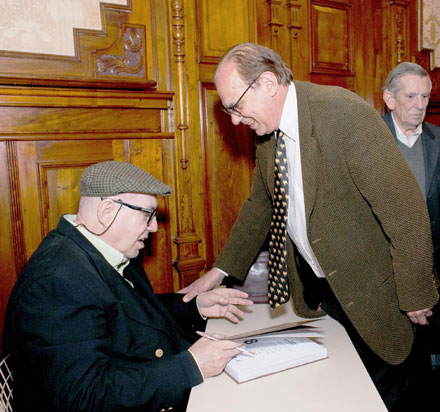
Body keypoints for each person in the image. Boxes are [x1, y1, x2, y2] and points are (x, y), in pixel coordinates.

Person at [180, 43, 439, 411]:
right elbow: (261, 205)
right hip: (322, 295)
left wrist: (416, 294)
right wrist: (221, 270)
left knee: (382, 397)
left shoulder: (344, 114)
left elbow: (405, 211)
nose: (235, 120)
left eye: (236, 106)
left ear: (267, 83)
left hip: (374, 297)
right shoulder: (267, 133)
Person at [2, 161, 252, 412]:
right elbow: (83, 397)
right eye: (147, 215)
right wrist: (191, 366)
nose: (154, 227)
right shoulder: (56, 282)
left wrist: (194, 306)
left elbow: (125, 312)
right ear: (107, 212)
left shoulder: (101, 248)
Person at [383, 62, 440, 410]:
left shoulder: (438, 139)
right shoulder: (369, 140)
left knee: (425, 371)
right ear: (390, 99)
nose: (420, 104)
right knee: (390, 369)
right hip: (385, 276)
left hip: (432, 271)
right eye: (410, 96)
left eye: (425, 96)